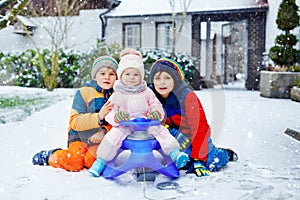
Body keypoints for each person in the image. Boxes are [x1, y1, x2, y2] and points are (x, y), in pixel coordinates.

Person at [88, 49, 189, 177]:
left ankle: (174, 153)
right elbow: (109, 112)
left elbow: (156, 106)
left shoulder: (146, 92)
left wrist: (156, 114)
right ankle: (100, 161)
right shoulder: (118, 94)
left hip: (146, 123)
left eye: (136, 74)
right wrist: (117, 117)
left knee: (162, 132)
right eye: (127, 74)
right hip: (125, 125)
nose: (131, 78)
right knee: (112, 137)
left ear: (141, 76)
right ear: (121, 76)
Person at [149, 58, 238, 177]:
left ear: (175, 80)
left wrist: (198, 158)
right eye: (157, 78)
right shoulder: (151, 97)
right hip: (175, 136)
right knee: (183, 160)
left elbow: (200, 128)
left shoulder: (188, 97)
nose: (162, 83)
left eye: (167, 78)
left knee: (211, 162)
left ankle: (225, 154)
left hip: (195, 136)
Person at [32, 55, 118, 171]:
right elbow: (75, 122)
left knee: (91, 161)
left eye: (111, 74)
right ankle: (51, 156)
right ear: (95, 77)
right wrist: (99, 117)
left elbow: (119, 122)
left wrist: (104, 131)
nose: (107, 77)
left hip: (100, 138)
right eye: (102, 73)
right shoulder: (83, 93)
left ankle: (89, 154)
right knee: (74, 161)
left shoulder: (117, 96)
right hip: (79, 135)